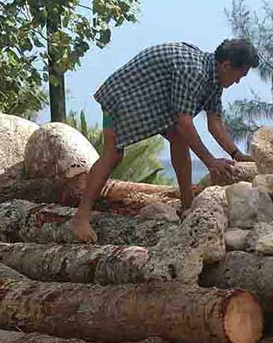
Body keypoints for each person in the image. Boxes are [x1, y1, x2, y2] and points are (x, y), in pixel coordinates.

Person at [69, 39, 260, 243]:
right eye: (239, 76)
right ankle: (80, 217)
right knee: (113, 155)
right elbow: (184, 123)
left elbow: (215, 122)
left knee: (179, 139)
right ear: (226, 65)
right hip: (122, 96)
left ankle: (187, 205)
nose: (238, 82)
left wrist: (237, 155)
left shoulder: (214, 80)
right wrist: (210, 162)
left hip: (155, 102)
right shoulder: (193, 71)